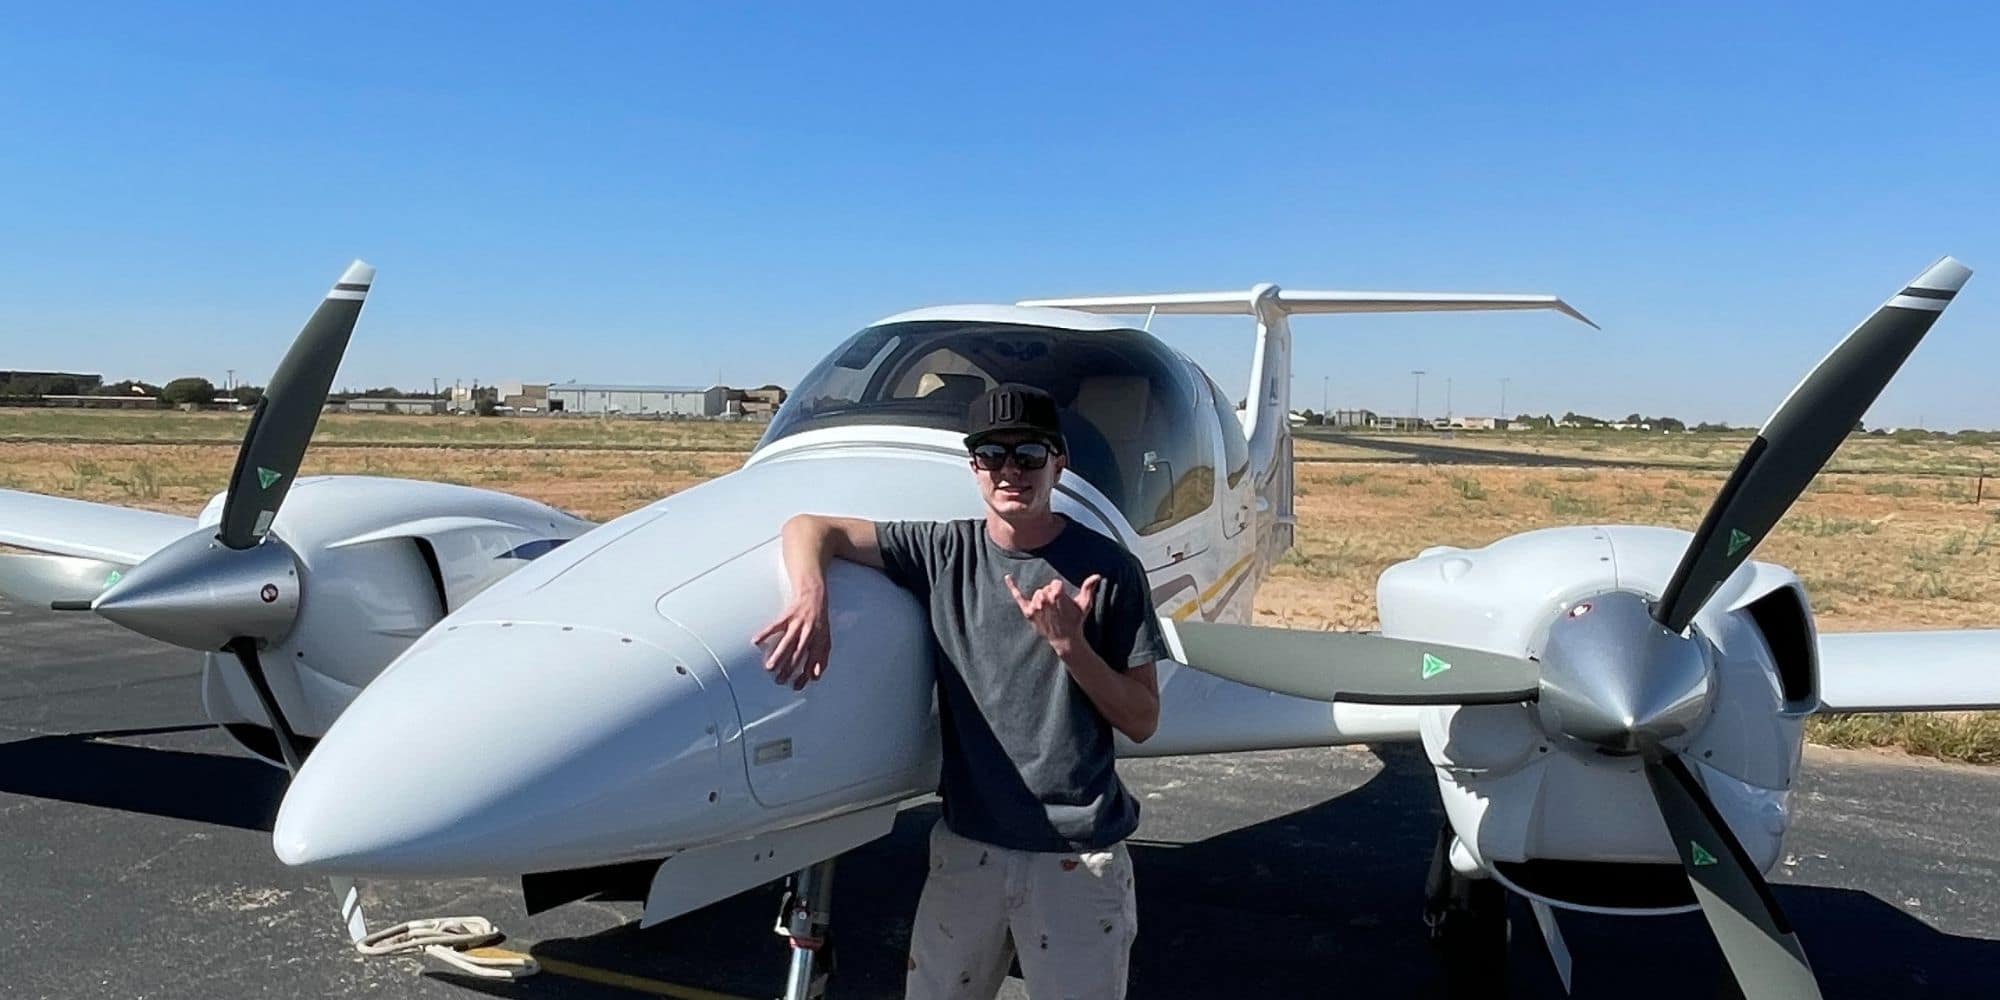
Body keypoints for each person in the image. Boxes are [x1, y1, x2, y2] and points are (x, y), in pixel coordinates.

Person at [752, 382, 1168, 1000]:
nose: (1010, 471)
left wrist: (1070, 646)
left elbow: (1142, 718)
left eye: (1028, 455)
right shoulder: (944, 550)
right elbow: (810, 527)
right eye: (991, 455)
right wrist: (810, 597)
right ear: (973, 466)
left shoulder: (1108, 570)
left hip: (1075, 861)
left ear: (1059, 462)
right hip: (967, 848)